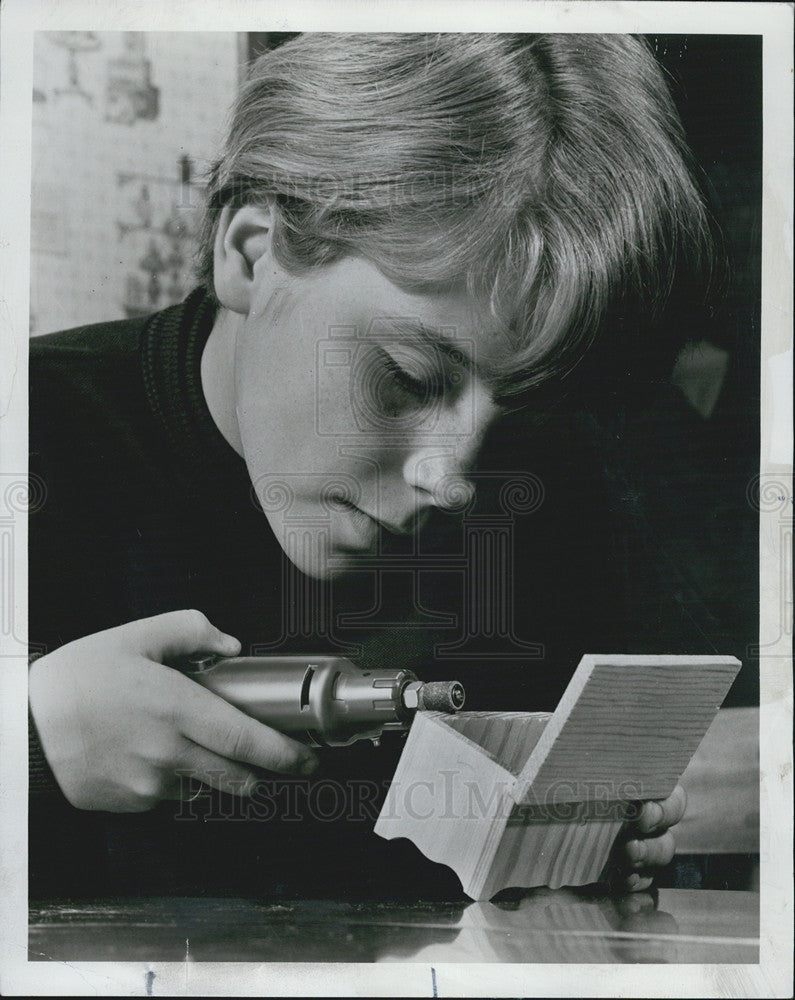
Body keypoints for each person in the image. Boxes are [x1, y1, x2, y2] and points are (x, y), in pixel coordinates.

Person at [29, 32, 711, 900]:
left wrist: (574, 858)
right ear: (249, 251)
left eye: (520, 408)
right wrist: (29, 741)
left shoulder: (553, 496)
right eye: (408, 376)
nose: (455, 479)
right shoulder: (33, 435)